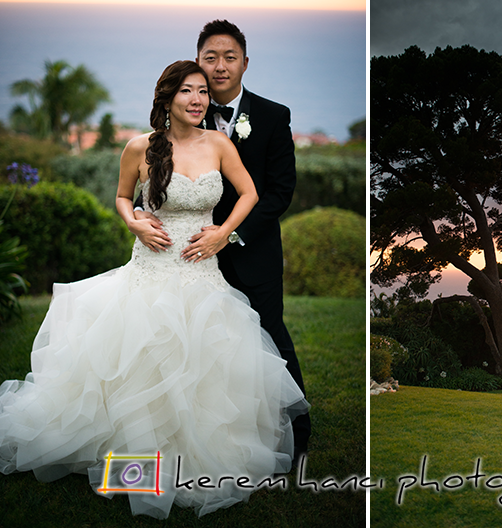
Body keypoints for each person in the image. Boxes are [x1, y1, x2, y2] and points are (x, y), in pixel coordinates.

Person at [0, 60, 308, 519]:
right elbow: (123, 197)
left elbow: (250, 194)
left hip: (202, 275)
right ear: (167, 97)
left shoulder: (220, 144)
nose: (198, 99)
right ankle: (131, 472)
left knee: (203, 370)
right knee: (141, 371)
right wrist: (134, 222)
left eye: (203, 91)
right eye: (188, 91)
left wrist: (222, 233)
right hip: (150, 273)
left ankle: (200, 462)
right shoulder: (139, 148)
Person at [131, 19, 310, 460]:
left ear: (245, 63)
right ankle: (190, 428)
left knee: (268, 338)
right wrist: (137, 214)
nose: (220, 66)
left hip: (252, 249)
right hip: (187, 257)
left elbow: (278, 193)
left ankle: (295, 429)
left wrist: (230, 234)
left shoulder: (273, 116)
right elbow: (147, 185)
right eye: (210, 57)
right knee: (189, 344)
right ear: (198, 63)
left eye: (230, 57)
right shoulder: (185, 110)